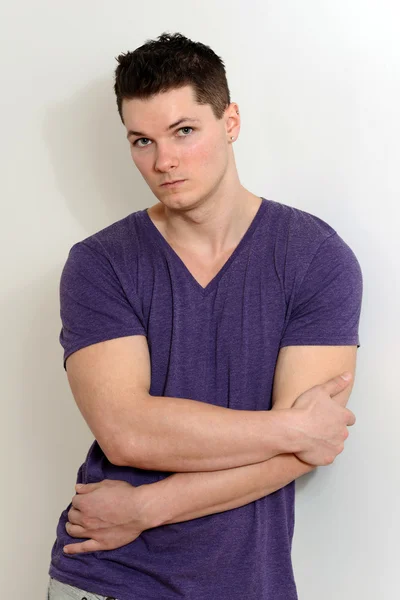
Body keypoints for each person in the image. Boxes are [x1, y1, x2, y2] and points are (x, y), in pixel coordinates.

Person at [47, 32, 363, 600]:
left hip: (246, 581)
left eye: (183, 131)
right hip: (107, 574)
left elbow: (301, 455)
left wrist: (145, 506)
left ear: (231, 121)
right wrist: (288, 426)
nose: (163, 161)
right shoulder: (100, 263)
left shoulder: (315, 256)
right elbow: (127, 432)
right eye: (141, 141)